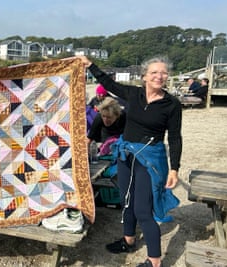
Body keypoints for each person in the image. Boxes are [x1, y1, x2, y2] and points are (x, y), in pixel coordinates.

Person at [79, 55, 182, 267]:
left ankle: (154, 261)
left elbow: (174, 138)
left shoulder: (172, 105)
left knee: (143, 210)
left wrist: (175, 169)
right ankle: (129, 240)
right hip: (126, 155)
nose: (159, 76)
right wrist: (90, 65)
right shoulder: (133, 94)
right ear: (144, 76)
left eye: (163, 72)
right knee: (126, 199)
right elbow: (109, 83)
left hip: (150, 159)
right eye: (154, 72)